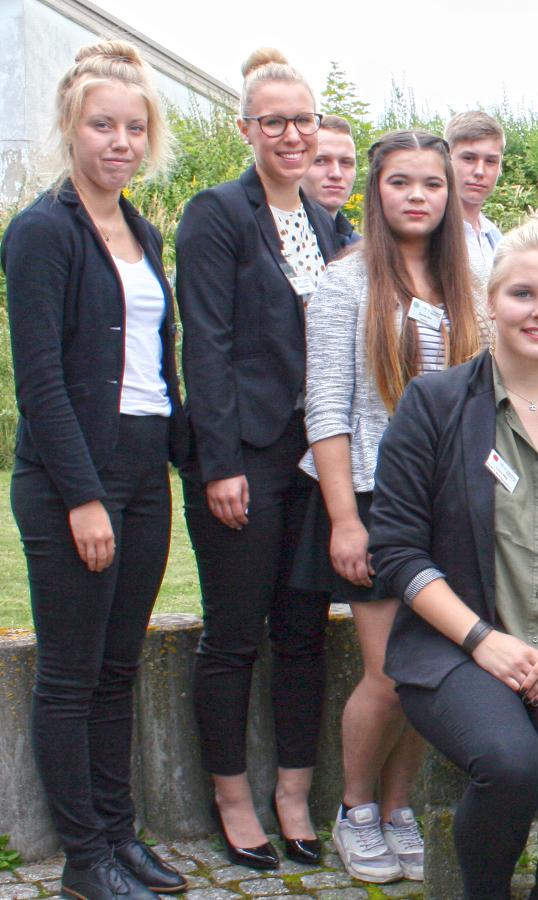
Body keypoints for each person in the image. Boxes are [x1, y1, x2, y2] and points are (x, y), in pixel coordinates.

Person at [369, 218, 538, 900]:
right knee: (511, 765)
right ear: (490, 301)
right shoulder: (432, 405)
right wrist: (483, 641)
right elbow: (396, 550)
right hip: (456, 648)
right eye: (522, 294)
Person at [2, 40, 190, 900]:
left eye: (133, 127)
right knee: (73, 675)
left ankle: (121, 839)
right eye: (102, 125)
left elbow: (159, 364)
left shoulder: (142, 229)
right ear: (70, 130)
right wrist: (83, 496)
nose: (120, 140)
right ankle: (85, 860)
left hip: (145, 471)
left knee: (120, 667)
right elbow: (40, 379)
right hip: (74, 477)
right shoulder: (42, 231)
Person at [298, 130, 487, 884]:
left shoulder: (470, 281)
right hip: (376, 499)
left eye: (431, 184)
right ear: (377, 192)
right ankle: (355, 809)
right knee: (388, 673)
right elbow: (327, 410)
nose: (417, 195)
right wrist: (345, 518)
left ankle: (400, 806)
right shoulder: (345, 285)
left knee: (430, 671)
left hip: (456, 502)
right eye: (401, 182)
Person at [175, 47, 339, 872]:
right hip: (244, 458)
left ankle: (294, 794)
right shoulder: (216, 214)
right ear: (246, 129)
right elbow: (203, 343)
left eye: (302, 119)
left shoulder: (326, 220)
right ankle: (233, 800)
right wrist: (219, 460)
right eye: (272, 121)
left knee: (303, 633)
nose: (290, 134)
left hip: (318, 461)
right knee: (236, 635)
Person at [445, 111, 504, 282]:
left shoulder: (495, 237)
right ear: (447, 159)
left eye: (490, 161)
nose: (480, 171)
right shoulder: (430, 235)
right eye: (469, 158)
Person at [302, 113, 359, 249]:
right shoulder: (267, 238)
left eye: (346, 162)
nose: (336, 174)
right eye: (320, 161)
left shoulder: (363, 252)